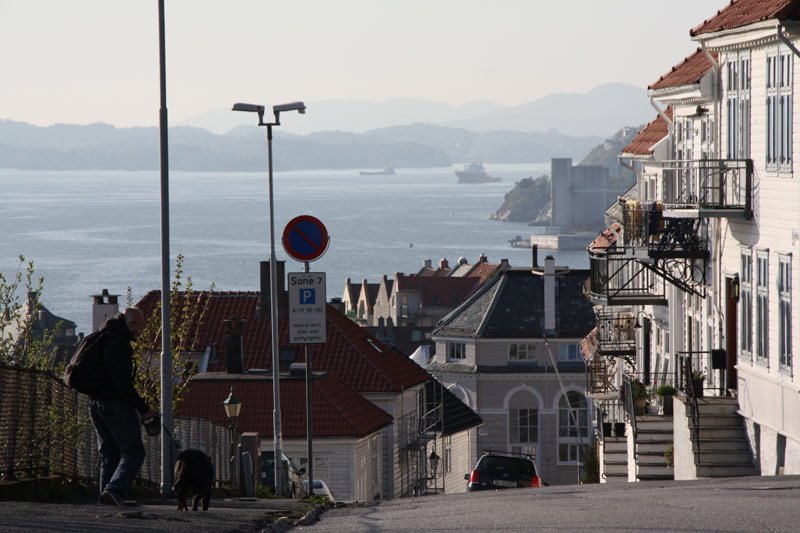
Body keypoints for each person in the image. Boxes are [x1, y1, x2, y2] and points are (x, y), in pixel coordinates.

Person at [88, 306, 157, 507]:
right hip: (116, 405)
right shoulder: (120, 344)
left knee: (109, 454)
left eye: (140, 325)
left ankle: (106, 498)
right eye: (134, 323)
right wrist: (144, 409)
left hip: (95, 404)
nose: (137, 329)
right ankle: (114, 490)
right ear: (123, 321)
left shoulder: (103, 338)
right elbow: (123, 384)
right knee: (134, 451)